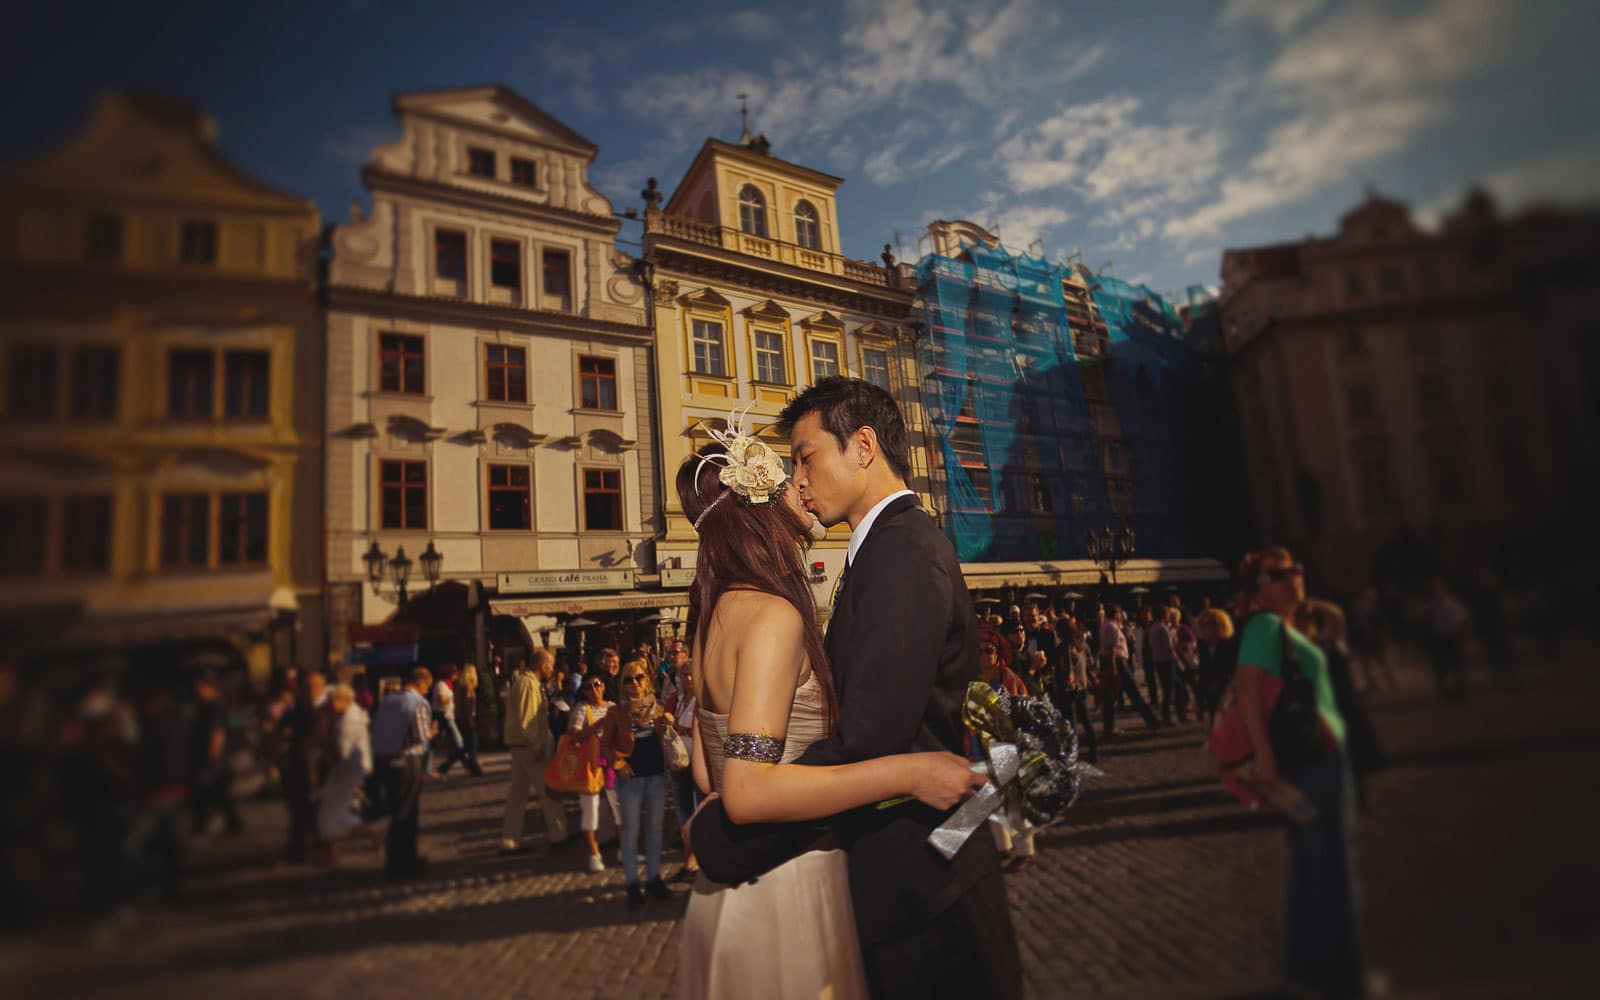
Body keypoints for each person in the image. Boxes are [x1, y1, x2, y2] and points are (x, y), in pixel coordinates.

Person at [685, 381, 1018, 1000]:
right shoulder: (880, 554)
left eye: (807, 456)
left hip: (922, 886)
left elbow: (867, 740)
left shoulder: (903, 554)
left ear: (863, 447)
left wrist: (732, 833)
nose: (800, 479)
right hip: (903, 883)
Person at [1234, 548, 1365, 997]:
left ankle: (1307, 968)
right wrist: (1264, 756)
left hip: (1320, 756)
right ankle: (1342, 976)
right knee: (1330, 867)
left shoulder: (1283, 627)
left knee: (1313, 864)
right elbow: (1247, 691)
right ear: (1259, 590)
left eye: (1296, 570)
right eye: (1280, 573)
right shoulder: (1264, 626)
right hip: (1310, 762)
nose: (1294, 577)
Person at [595, 658, 672, 907]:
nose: (635, 683)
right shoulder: (615, 712)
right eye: (629, 679)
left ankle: (653, 878)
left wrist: (668, 722)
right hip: (631, 779)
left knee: (654, 830)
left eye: (639, 677)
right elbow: (605, 745)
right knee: (630, 832)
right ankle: (631, 883)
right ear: (623, 684)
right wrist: (618, 764)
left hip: (656, 775)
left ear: (647, 680)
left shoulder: (658, 709)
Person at [500, 649, 569, 854]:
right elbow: (528, 719)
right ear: (543, 665)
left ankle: (509, 840)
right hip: (529, 748)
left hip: (520, 746)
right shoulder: (528, 684)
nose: (553, 669)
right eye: (551, 665)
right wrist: (537, 746)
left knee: (518, 797)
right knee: (548, 791)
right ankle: (559, 834)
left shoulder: (528, 682)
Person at [370, 668, 435, 880]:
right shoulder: (417, 703)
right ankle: (403, 862)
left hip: (385, 760)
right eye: (427, 687)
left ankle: (397, 859)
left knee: (396, 809)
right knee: (407, 811)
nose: (427, 692)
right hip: (407, 760)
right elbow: (420, 736)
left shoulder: (388, 701)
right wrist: (432, 732)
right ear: (421, 684)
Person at [316, 683, 378, 862]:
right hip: (351, 769)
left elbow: (340, 752)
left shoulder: (348, 721)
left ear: (341, 700)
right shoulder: (353, 714)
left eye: (331, 701)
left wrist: (322, 747)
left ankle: (331, 854)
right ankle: (374, 837)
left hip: (348, 770)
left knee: (327, 812)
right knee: (340, 812)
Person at [568, 670, 621, 872]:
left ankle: (624, 850)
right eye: (588, 686)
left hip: (611, 765)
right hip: (589, 766)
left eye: (597, 684)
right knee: (590, 811)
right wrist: (599, 724)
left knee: (619, 809)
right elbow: (574, 736)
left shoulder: (613, 707)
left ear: (604, 686)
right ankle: (594, 854)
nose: (594, 690)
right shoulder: (582, 708)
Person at [187, 673, 242, 837]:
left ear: (208, 687)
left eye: (199, 687)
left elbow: (217, 734)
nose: (196, 691)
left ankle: (204, 823)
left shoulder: (213, 707)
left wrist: (212, 756)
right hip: (216, 759)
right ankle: (232, 822)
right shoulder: (209, 706)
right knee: (219, 793)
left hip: (214, 759)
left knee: (208, 790)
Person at [663, 650, 701, 882]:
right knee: (684, 813)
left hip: (697, 763)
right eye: (684, 674)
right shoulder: (677, 700)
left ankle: (695, 860)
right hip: (679, 763)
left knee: (697, 812)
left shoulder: (702, 700)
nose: (687, 678)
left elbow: (701, 732)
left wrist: (677, 727)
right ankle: (689, 860)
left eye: (691, 674)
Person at [1195, 607, 1239, 724]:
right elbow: (1202, 672)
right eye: (1206, 624)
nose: (1210, 628)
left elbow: (1234, 670)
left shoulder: (1230, 645)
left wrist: (1220, 683)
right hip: (1211, 695)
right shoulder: (1203, 646)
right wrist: (1199, 702)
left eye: (1214, 623)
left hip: (1228, 693)